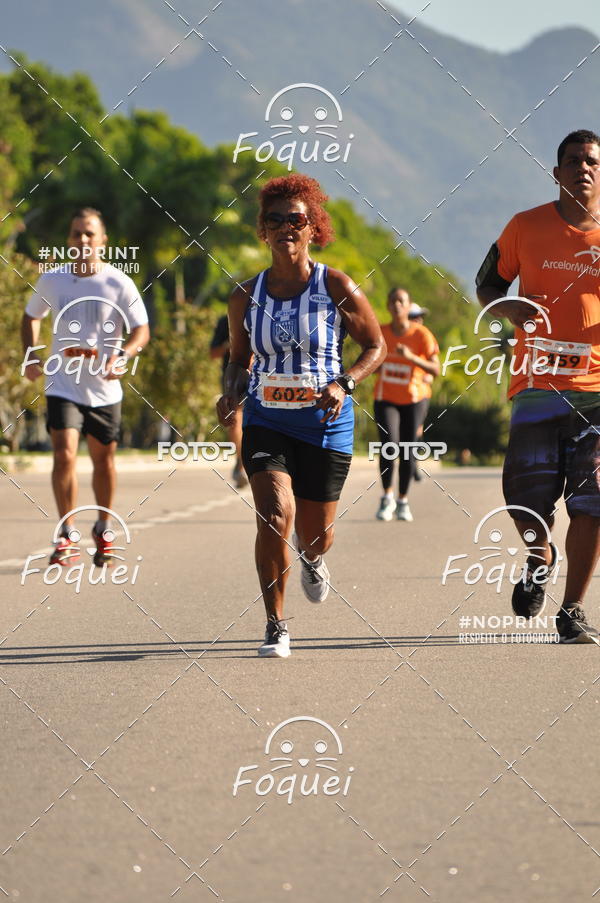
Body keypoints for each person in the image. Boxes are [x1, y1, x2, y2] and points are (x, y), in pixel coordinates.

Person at [216, 174, 385, 658]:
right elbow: (238, 360)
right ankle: (275, 624)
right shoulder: (244, 296)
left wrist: (345, 382)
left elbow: (377, 345)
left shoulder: (334, 285)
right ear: (263, 231)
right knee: (273, 514)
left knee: (317, 536)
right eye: (277, 220)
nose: (287, 227)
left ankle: (311, 559)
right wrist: (231, 393)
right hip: (268, 421)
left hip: (326, 426)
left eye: (297, 219)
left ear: (314, 228)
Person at [475, 129, 600, 644]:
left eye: (592, 161)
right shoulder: (525, 226)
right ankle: (538, 555)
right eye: (572, 161)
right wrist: (506, 309)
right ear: (557, 172)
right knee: (525, 499)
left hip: (596, 389)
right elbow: (487, 282)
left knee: (594, 499)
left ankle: (571, 610)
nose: (583, 169)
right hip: (535, 385)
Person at [21, 207, 150, 566]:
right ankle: (67, 534)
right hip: (63, 382)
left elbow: (142, 329)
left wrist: (124, 354)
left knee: (103, 460)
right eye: (76, 233)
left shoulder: (118, 283)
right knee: (63, 453)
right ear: (68, 239)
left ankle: (103, 529)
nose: (82, 240)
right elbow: (31, 316)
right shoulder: (54, 280)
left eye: (89, 234)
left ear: (103, 241)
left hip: (105, 388)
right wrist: (32, 355)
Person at [373, 288, 440, 522]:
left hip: (414, 399)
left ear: (408, 305)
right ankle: (386, 497)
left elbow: (436, 369)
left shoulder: (422, 335)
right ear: (388, 306)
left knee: (407, 450)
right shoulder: (380, 332)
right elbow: (369, 358)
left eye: (401, 301)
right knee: (389, 446)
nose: (397, 305)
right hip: (385, 397)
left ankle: (402, 500)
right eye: (392, 301)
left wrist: (411, 357)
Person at [210, 313, 247, 488]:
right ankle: (241, 462)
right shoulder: (226, 321)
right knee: (234, 422)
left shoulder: (270, 312)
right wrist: (232, 344)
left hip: (266, 378)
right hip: (234, 379)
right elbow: (213, 353)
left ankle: (245, 462)